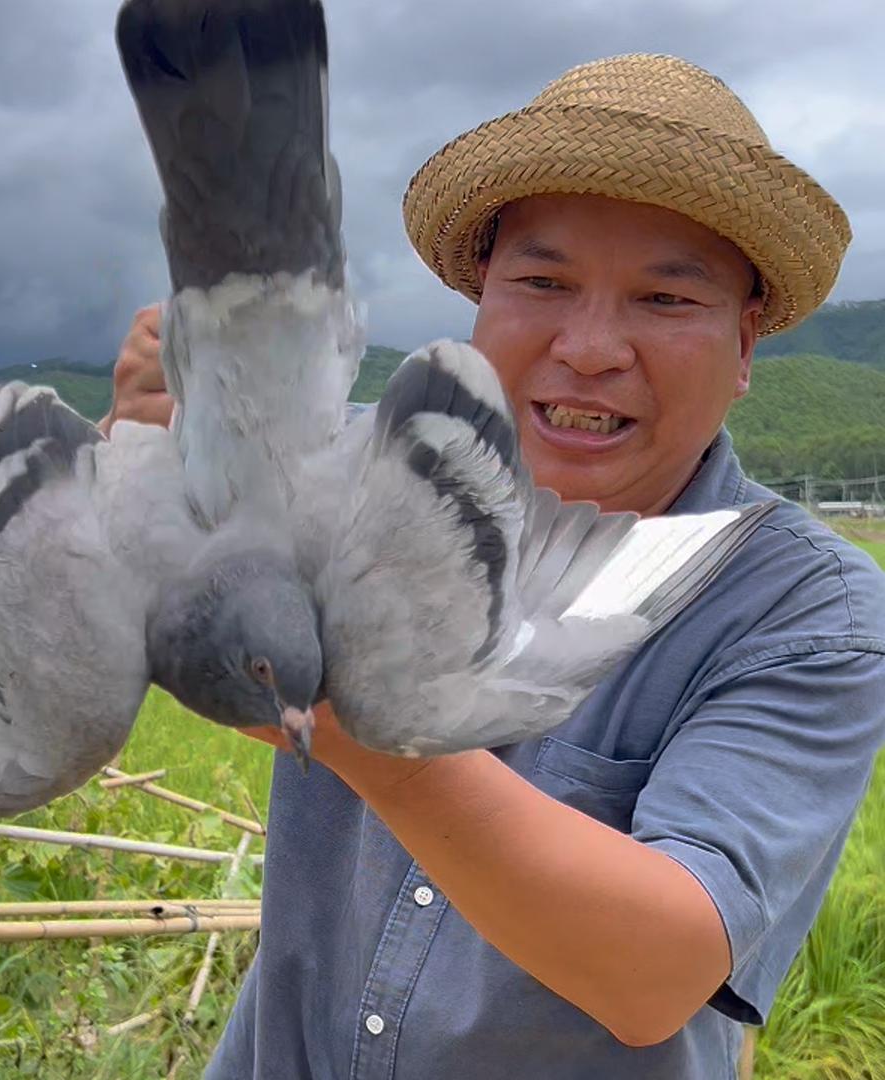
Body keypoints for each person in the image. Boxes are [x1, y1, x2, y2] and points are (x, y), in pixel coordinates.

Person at [102, 55, 885, 1079]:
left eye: (662, 297)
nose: (592, 346)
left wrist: (356, 725)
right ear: (482, 303)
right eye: (543, 282)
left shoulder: (804, 610)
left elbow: (659, 969)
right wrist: (157, 423)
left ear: (744, 347)